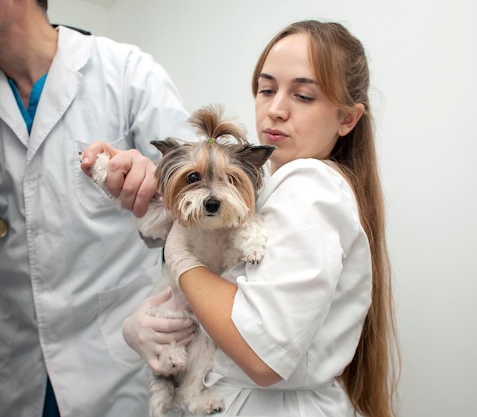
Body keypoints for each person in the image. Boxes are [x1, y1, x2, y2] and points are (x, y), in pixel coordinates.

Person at [124, 20, 400, 417]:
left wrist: (180, 255)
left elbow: (261, 354)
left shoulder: (310, 185)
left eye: (303, 95)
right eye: (266, 89)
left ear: (347, 119)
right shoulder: (278, 188)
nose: (275, 109)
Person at [0, 0, 197, 416]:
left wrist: (155, 182)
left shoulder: (127, 74)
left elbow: (200, 198)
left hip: (116, 362)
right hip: (19, 360)